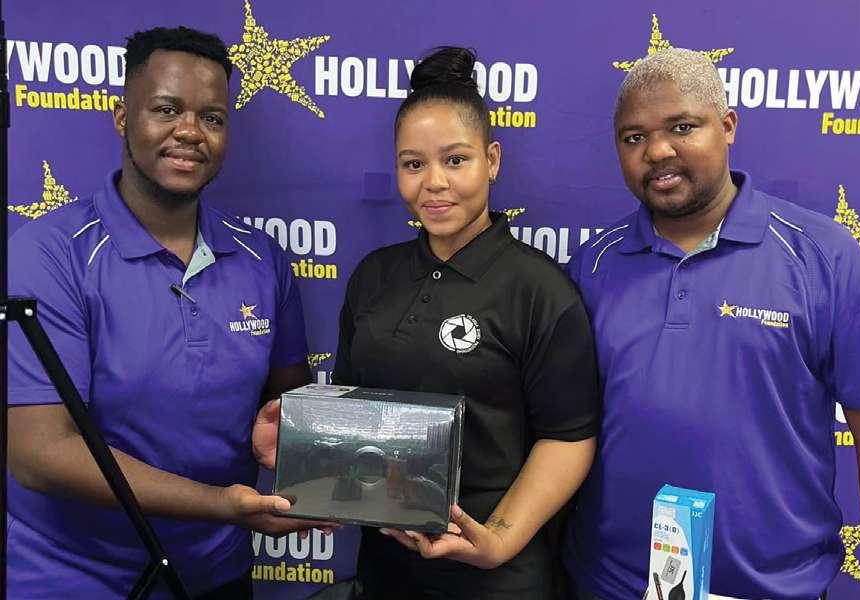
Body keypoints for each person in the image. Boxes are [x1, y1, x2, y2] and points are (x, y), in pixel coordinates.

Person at [6, 27, 329, 599]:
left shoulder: (262, 259)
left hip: (216, 575)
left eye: (212, 117)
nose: (190, 131)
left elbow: (287, 406)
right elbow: (39, 453)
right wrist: (221, 505)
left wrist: (286, 433)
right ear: (122, 117)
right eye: (166, 109)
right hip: (75, 578)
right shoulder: (50, 253)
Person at [563, 47, 860, 600]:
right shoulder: (592, 265)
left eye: (682, 127)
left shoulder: (823, 257)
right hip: (612, 585)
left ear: (727, 126)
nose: (658, 150)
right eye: (633, 137)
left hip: (774, 589)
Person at [332, 46, 600, 599]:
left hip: (497, 579)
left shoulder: (540, 290)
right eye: (413, 164)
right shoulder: (372, 277)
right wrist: (303, 445)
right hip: (386, 571)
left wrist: (497, 539)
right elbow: (351, 414)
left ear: (492, 160)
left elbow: (567, 437)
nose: (434, 182)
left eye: (455, 160)